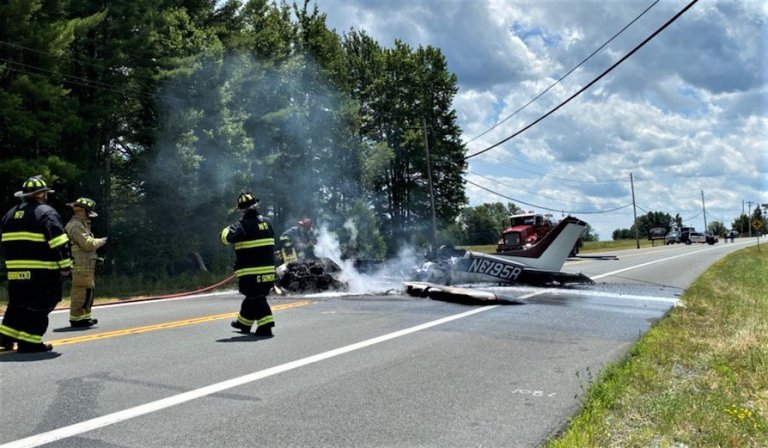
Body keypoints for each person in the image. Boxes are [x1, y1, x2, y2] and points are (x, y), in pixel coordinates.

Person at [0, 176, 72, 352]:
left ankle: (5, 338)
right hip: (42, 273)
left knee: (17, 305)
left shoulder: (9, 215)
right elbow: (59, 242)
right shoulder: (46, 212)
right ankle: (29, 342)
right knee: (40, 306)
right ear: (41, 194)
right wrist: (65, 267)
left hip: (16, 272)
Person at [220, 192, 276, 338]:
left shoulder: (242, 226)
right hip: (269, 272)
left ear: (242, 210)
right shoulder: (268, 223)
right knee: (253, 297)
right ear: (256, 206)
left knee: (256, 298)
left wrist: (226, 229)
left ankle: (266, 326)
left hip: (251, 273)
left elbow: (226, 238)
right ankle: (243, 323)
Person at [65, 197, 107, 328]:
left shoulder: (81, 224)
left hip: (86, 264)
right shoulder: (76, 225)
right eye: (89, 213)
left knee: (88, 291)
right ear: (82, 211)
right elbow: (88, 244)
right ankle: (77, 319)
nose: (90, 216)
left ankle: (84, 317)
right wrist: (104, 241)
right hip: (80, 264)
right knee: (81, 291)